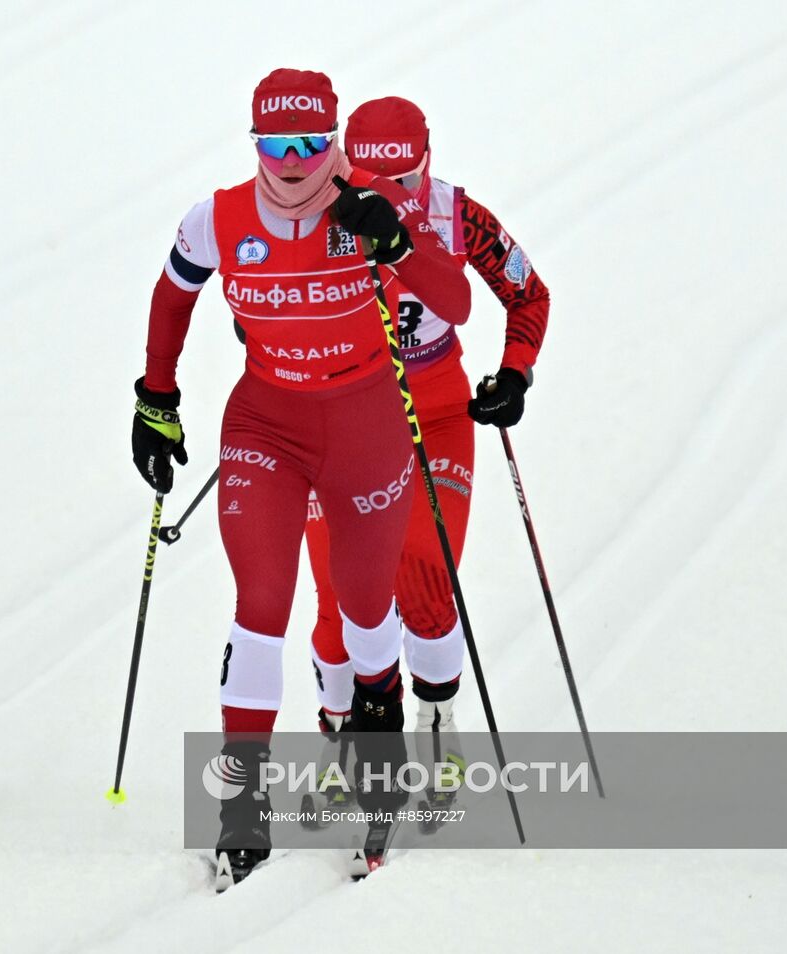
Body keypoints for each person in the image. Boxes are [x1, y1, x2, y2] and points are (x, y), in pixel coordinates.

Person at [131, 69, 470, 885]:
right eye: (274, 145)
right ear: (254, 144)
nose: (291, 163)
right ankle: (241, 810)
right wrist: (156, 396)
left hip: (367, 424)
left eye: (310, 145)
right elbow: (172, 297)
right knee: (260, 607)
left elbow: (453, 298)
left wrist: (395, 243)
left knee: (364, 612)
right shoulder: (216, 218)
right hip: (266, 426)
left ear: (334, 142)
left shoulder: (370, 203)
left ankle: (379, 770)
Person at [303, 96, 550, 813]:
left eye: (402, 181)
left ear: (427, 161)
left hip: (435, 416)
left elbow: (527, 293)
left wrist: (515, 372)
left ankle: (436, 720)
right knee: (336, 596)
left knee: (423, 574)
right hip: (343, 423)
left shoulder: (455, 214)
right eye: (371, 183)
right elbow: (259, 297)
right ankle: (340, 731)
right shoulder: (312, 212)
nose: (390, 199)